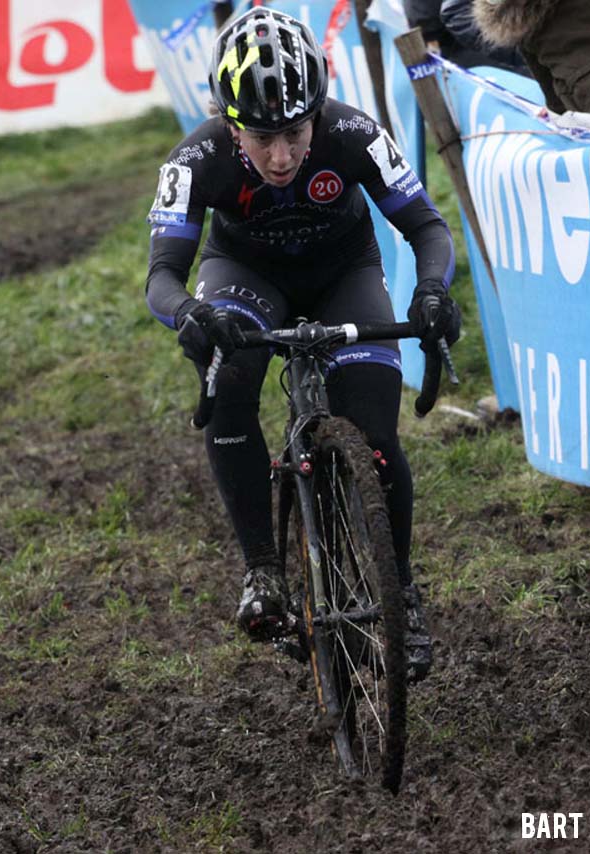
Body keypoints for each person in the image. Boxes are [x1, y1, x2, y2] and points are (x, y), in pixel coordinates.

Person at [144, 7, 459, 681]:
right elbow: (162, 276)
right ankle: (263, 569)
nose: (281, 155)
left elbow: (428, 230)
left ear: (316, 113)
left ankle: (398, 588)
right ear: (232, 126)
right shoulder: (195, 158)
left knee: (376, 430)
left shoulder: (353, 132)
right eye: (261, 138)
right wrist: (192, 315)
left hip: (344, 272)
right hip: (246, 278)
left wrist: (431, 292)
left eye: (293, 132)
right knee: (232, 381)